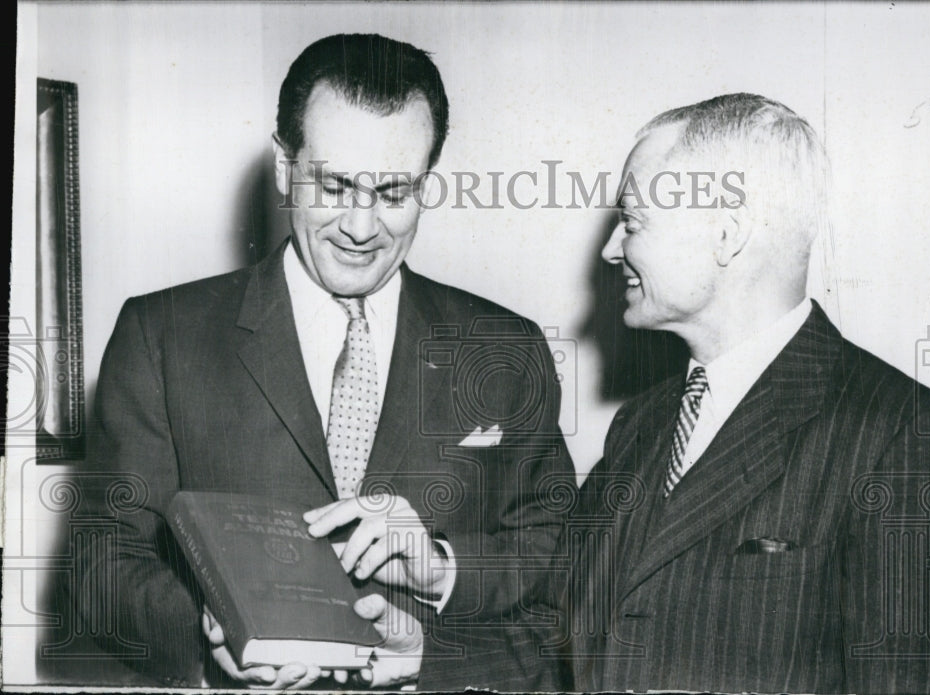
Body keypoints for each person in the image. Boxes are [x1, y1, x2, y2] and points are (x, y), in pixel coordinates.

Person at [75, 33, 573, 690]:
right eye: (335, 185)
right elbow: (100, 562)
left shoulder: (507, 351)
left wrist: (443, 572)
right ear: (285, 167)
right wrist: (209, 630)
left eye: (394, 192)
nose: (362, 227)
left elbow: (562, 567)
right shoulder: (163, 335)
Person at [544, 93, 930, 693]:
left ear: (727, 234)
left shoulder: (904, 432)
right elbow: (556, 624)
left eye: (634, 221)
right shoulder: (639, 425)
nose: (611, 248)